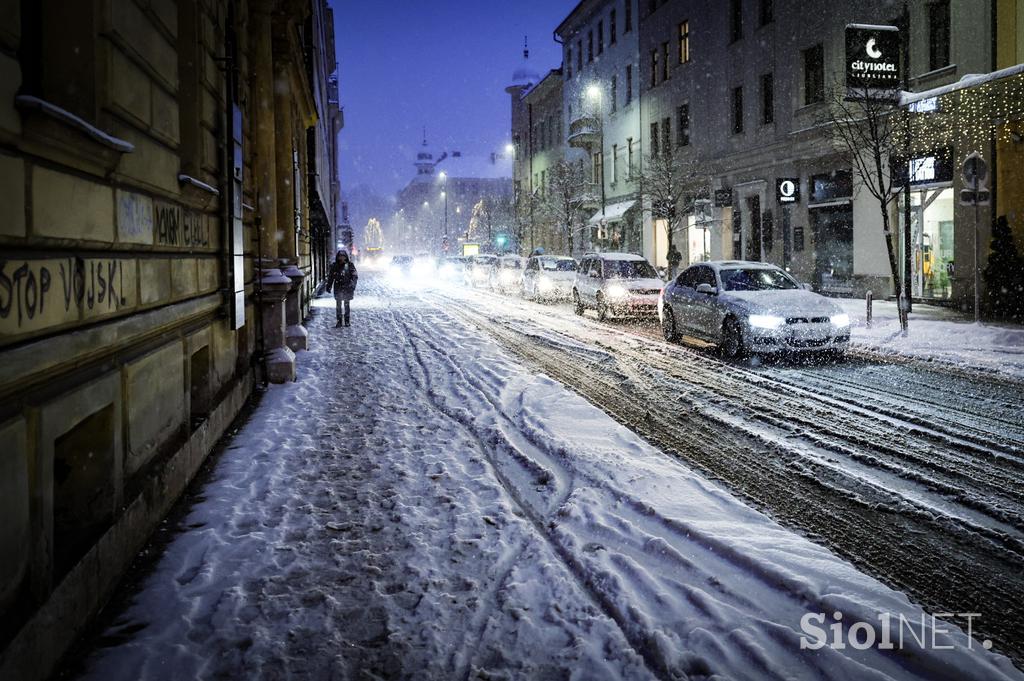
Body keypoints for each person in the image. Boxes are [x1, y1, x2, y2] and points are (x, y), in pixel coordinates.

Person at [325, 250, 358, 327]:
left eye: (343, 256)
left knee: (346, 305)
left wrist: (352, 284)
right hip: (338, 287)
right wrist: (329, 286)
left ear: (346, 257)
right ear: (338, 257)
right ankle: (339, 321)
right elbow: (331, 277)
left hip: (347, 287)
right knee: (338, 305)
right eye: (340, 256)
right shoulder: (334, 266)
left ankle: (347, 321)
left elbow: (354, 276)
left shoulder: (350, 265)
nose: (342, 258)